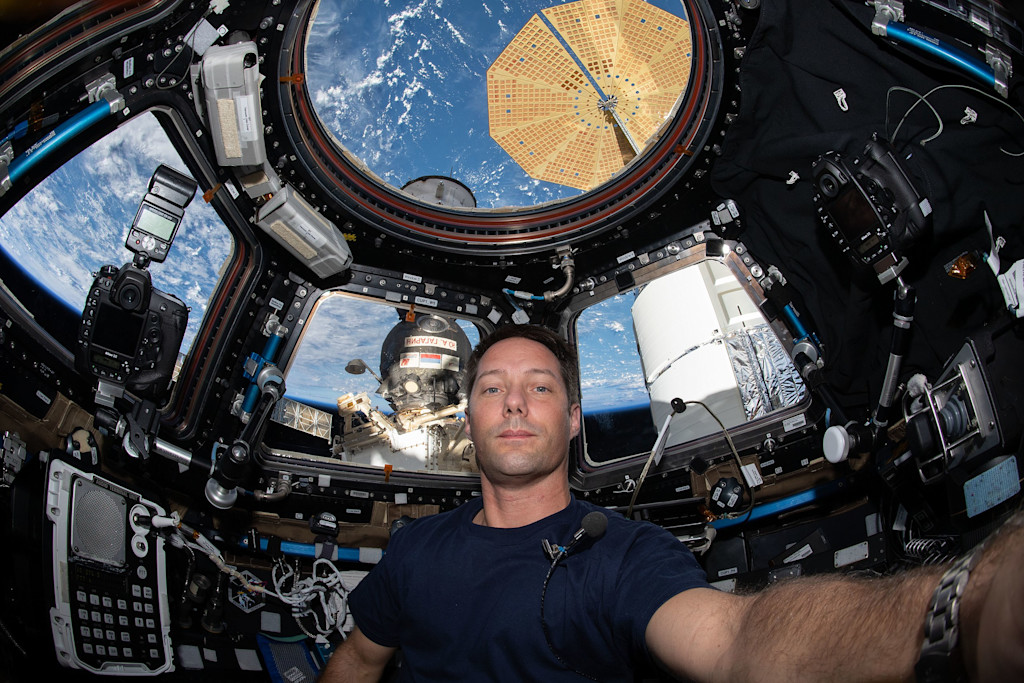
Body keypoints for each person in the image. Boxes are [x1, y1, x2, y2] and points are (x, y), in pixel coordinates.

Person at [321, 324, 1024, 682]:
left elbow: (733, 642)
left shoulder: (626, 556)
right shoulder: (415, 549)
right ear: (470, 419)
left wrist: (962, 606)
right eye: (492, 388)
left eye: (540, 386)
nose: (513, 402)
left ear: (572, 420)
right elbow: (358, 660)